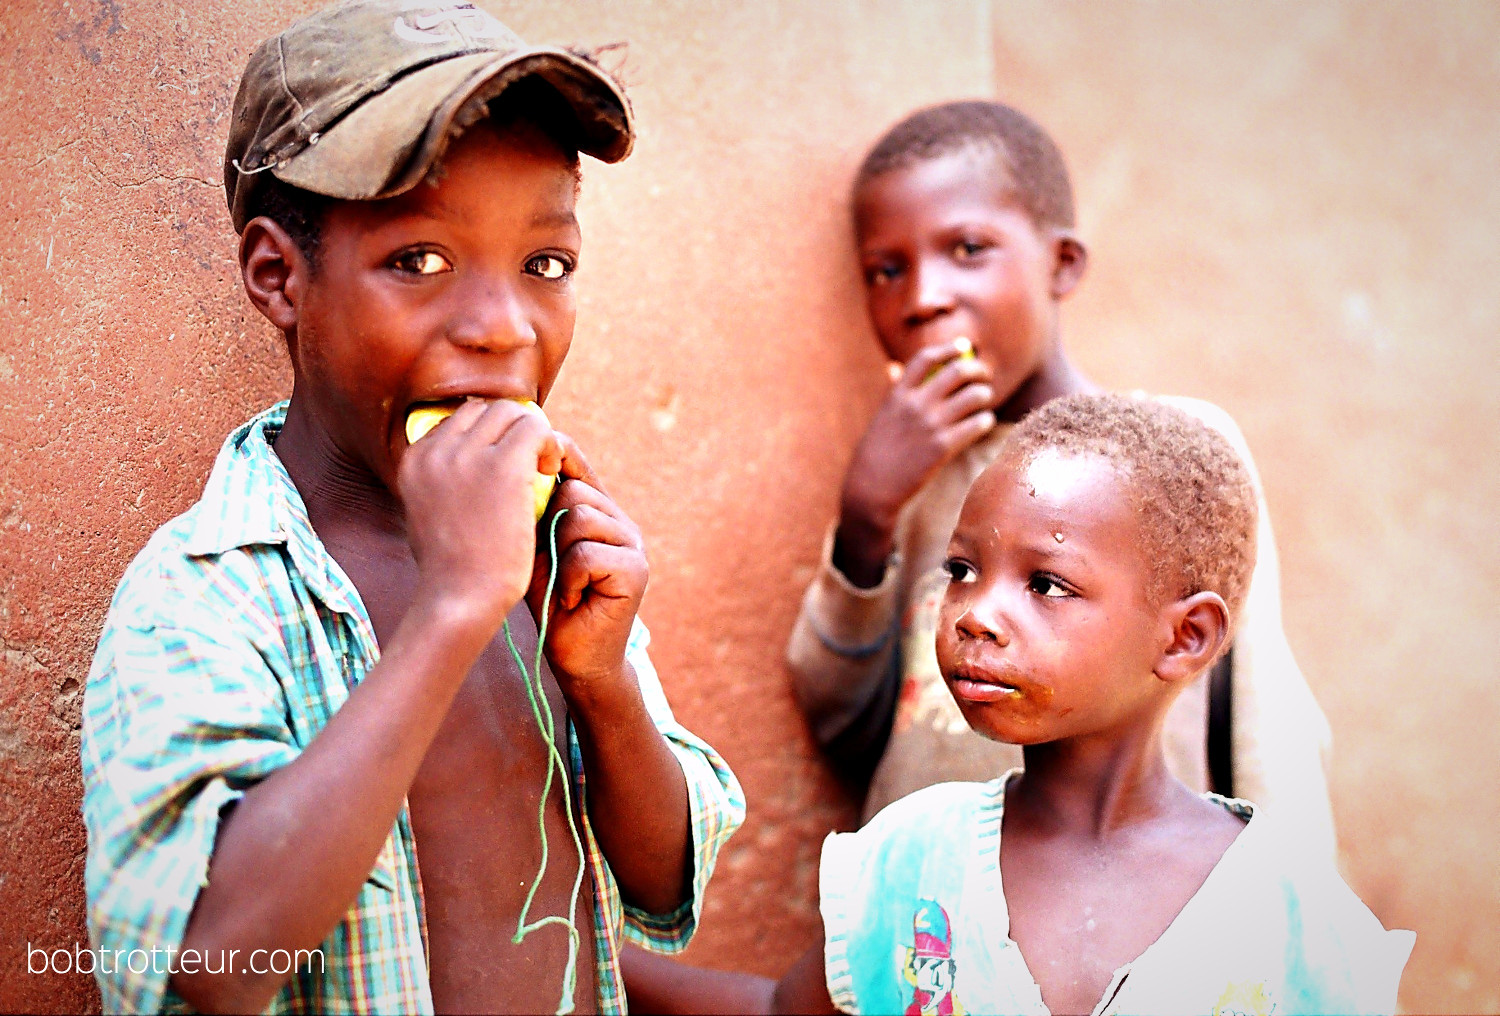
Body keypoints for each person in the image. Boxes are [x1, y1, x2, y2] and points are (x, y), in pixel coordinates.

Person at [80, 3, 743, 1013]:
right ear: (278, 276)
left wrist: (602, 683)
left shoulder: (548, 550)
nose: (501, 325)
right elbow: (212, 962)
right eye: (419, 260)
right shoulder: (208, 596)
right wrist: (453, 611)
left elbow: (658, 886)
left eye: (546, 264)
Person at [786, 100, 1336, 853]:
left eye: (969, 248)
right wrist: (865, 518)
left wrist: (1286, 897)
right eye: (887, 271)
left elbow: (1259, 717)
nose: (923, 298)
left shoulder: (1180, 453)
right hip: (931, 922)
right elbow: (840, 727)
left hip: (1139, 907)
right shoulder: (906, 477)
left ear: (1062, 263)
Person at [774, 393, 1414, 1015]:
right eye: (963, 571)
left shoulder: (1290, 917)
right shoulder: (913, 857)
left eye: (1046, 584)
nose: (976, 616)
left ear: (1184, 637)